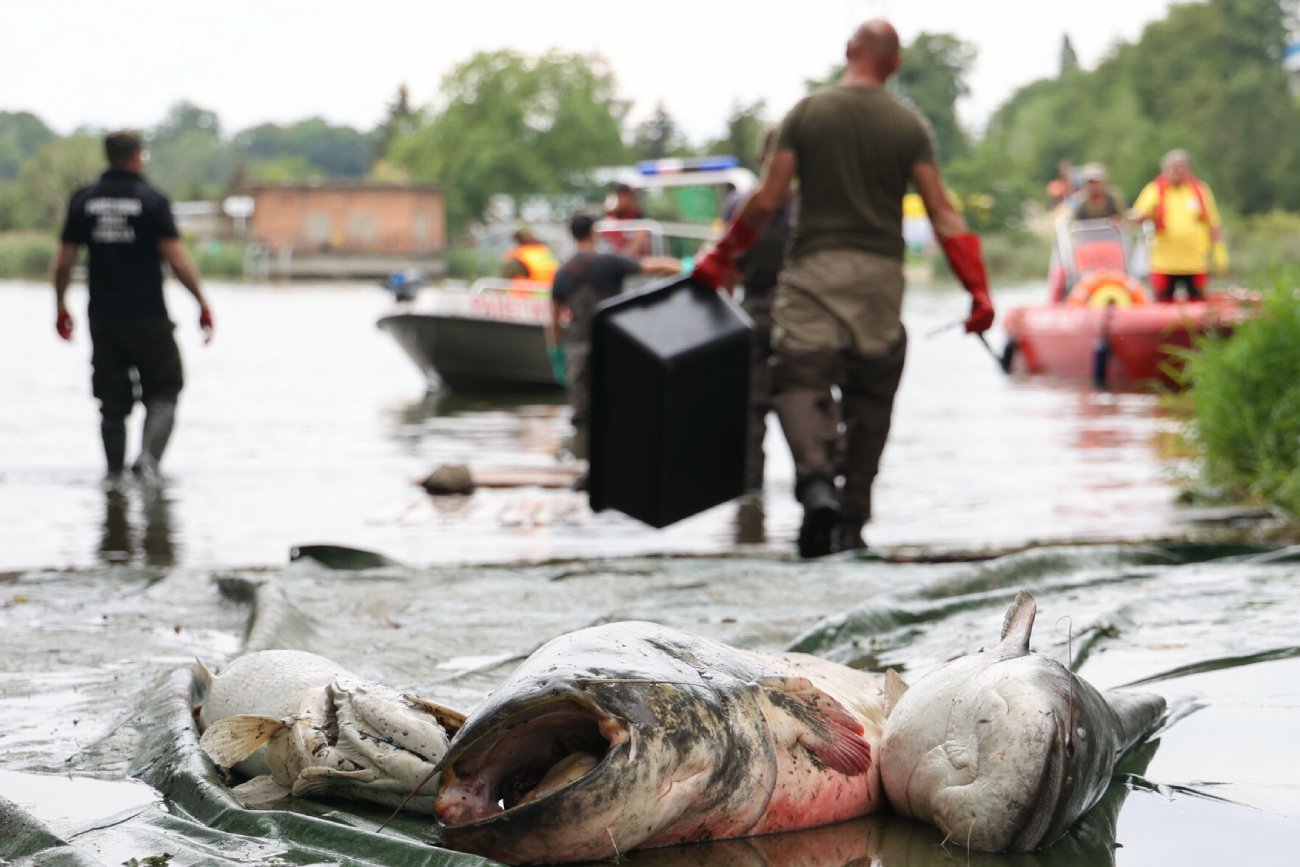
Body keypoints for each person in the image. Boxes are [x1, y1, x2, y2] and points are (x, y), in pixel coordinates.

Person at [692, 19, 995, 558]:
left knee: (798, 379)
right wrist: (978, 290)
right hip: (880, 277)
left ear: (849, 51)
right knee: (872, 392)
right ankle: (853, 518)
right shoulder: (909, 126)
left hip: (814, 269)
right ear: (894, 63)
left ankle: (816, 488)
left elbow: (767, 199)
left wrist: (719, 258)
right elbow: (943, 214)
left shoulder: (807, 114)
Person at [53, 130, 213, 483]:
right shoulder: (152, 199)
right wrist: (202, 302)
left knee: (111, 402)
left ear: (108, 156)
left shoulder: (84, 200)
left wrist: (61, 305)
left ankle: (113, 477)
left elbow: (64, 263)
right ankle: (147, 462)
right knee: (165, 388)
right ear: (138, 156)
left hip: (103, 318)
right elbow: (177, 260)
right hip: (149, 315)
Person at [548, 213, 679, 464]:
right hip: (610, 347)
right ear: (593, 232)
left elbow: (553, 320)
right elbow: (659, 266)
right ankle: (618, 461)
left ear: (573, 235)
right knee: (616, 406)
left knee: (581, 413)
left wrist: (556, 353)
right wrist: (689, 268)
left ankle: (582, 462)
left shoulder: (563, 272)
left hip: (577, 349)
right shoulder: (610, 262)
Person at [721, 127, 796, 495]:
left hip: (751, 308)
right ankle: (818, 486)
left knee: (750, 408)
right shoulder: (806, 207)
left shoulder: (739, 204)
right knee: (806, 400)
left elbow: (727, 264)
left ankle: (749, 493)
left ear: (761, 159)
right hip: (799, 314)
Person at [1128, 149, 1227, 302]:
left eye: (1181, 167)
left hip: (1195, 262)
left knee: (1198, 303)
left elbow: (1213, 222)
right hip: (1163, 262)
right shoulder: (1154, 190)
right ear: (1165, 169)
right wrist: (1138, 217)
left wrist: (1219, 250)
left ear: (1188, 169)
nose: (1177, 172)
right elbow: (1137, 215)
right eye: (1173, 168)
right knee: (1163, 304)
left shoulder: (1200, 190)